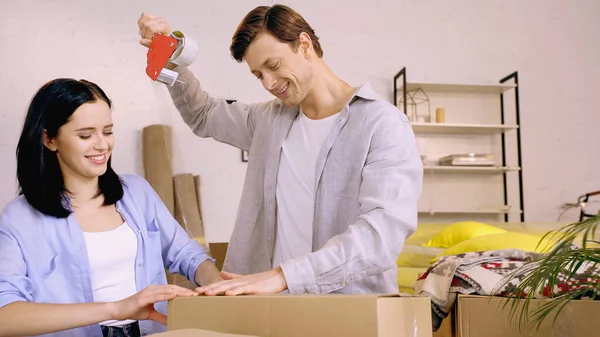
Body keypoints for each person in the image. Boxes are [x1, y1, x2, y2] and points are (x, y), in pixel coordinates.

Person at [137, 4, 423, 296]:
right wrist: (169, 54)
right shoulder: (268, 121)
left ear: (304, 44)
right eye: (258, 75)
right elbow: (203, 114)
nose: (269, 84)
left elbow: (381, 235)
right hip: (268, 309)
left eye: (273, 66)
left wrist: (284, 276)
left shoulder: (382, 125)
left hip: (347, 312)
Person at [0, 78, 223, 337]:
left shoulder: (137, 193)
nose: (102, 144)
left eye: (107, 131)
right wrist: (116, 308)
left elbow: (188, 255)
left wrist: (216, 287)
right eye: (85, 135)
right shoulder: (19, 218)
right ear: (50, 139)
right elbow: (6, 315)